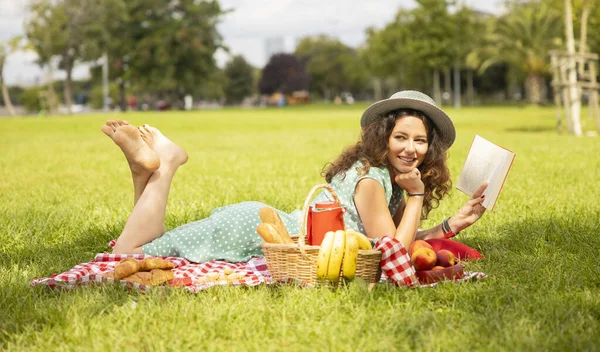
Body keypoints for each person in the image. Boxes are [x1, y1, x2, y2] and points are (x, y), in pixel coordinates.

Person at [102, 90, 486, 262]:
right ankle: (166, 163)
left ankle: (143, 171)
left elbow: (391, 239)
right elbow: (394, 253)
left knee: (146, 244)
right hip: (249, 231)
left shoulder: (387, 177)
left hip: (264, 229)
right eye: (401, 137)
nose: (411, 148)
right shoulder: (371, 180)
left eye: (420, 141)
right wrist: (417, 198)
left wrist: (451, 225)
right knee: (126, 255)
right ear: (384, 137)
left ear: (430, 148)